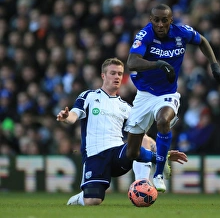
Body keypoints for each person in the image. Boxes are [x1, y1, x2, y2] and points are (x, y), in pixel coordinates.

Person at [124, 4, 220, 192]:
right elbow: (131, 62)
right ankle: (160, 156)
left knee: (163, 120)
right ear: (150, 20)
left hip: (168, 93)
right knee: (132, 152)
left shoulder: (182, 32)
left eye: (165, 20)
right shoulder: (145, 34)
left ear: (171, 20)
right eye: (156, 20)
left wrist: (215, 66)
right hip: (144, 94)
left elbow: (202, 41)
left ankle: (159, 174)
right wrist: (159, 64)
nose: (160, 24)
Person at [56, 58, 187, 206]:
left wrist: (164, 153)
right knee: (93, 201)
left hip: (119, 154)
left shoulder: (126, 107)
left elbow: (144, 138)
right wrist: (66, 117)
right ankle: (81, 197)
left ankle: (143, 184)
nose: (117, 77)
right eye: (113, 73)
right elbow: (73, 115)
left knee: (141, 139)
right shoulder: (89, 96)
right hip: (95, 155)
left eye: (119, 73)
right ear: (103, 76)